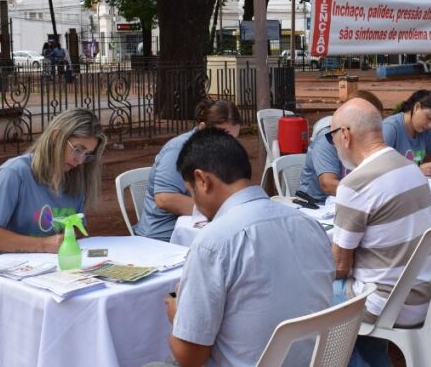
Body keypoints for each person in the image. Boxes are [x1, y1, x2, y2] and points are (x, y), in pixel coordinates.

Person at [155, 128, 333, 367]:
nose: (195, 202)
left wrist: (178, 316)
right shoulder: (309, 224)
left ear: (202, 180)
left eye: (191, 192)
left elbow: (190, 358)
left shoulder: (213, 243)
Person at [331, 98, 431, 366]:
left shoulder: (354, 184)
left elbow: (340, 266)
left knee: (307, 294)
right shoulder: (411, 168)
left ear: (345, 135)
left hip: (390, 304)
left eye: (330, 137)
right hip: (427, 293)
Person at [0, 109, 107, 266]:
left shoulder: (73, 179)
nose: (80, 160)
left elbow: (71, 234)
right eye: (77, 149)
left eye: (87, 154)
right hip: (4, 270)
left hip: (48, 269)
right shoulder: (14, 173)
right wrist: (43, 245)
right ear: (56, 137)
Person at [135, 99, 241, 241]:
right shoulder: (178, 150)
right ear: (203, 129)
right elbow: (164, 198)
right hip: (162, 237)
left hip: (202, 232)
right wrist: (217, 211)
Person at [297, 89, 384, 203]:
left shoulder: (362, 136)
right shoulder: (327, 139)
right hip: (316, 204)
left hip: (347, 200)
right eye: (372, 120)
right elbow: (328, 184)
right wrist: (368, 193)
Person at [383, 89, 431, 175]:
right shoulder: (390, 128)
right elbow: (376, 166)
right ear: (417, 107)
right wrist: (417, 170)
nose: (430, 125)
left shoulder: (425, 132)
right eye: (429, 118)